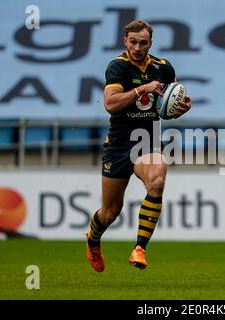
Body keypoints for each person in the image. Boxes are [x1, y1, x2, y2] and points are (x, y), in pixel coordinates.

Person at [86, 19, 192, 272]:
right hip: (119, 143)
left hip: (147, 142)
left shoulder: (164, 68)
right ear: (125, 41)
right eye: (132, 42)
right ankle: (93, 239)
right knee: (110, 212)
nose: (137, 47)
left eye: (143, 42)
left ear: (150, 43)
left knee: (157, 179)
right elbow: (111, 104)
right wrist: (141, 89)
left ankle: (140, 248)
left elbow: (165, 106)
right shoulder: (118, 67)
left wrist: (180, 109)